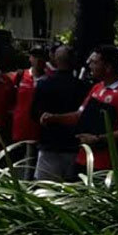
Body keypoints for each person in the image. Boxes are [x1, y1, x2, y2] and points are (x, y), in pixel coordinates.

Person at [40, 45, 118, 176]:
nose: (89, 65)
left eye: (95, 62)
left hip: (105, 165)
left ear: (108, 67)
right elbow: (79, 116)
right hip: (83, 159)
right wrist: (54, 118)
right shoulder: (97, 87)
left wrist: (98, 139)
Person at [30, 46, 90, 181]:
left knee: (46, 189)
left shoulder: (44, 84)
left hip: (49, 143)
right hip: (73, 145)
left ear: (55, 60)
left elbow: (34, 113)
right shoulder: (83, 87)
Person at [11, 47, 49, 144]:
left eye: (41, 56)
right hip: (19, 129)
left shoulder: (49, 80)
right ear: (30, 58)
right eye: (35, 56)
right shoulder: (20, 75)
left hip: (39, 131)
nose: (38, 60)